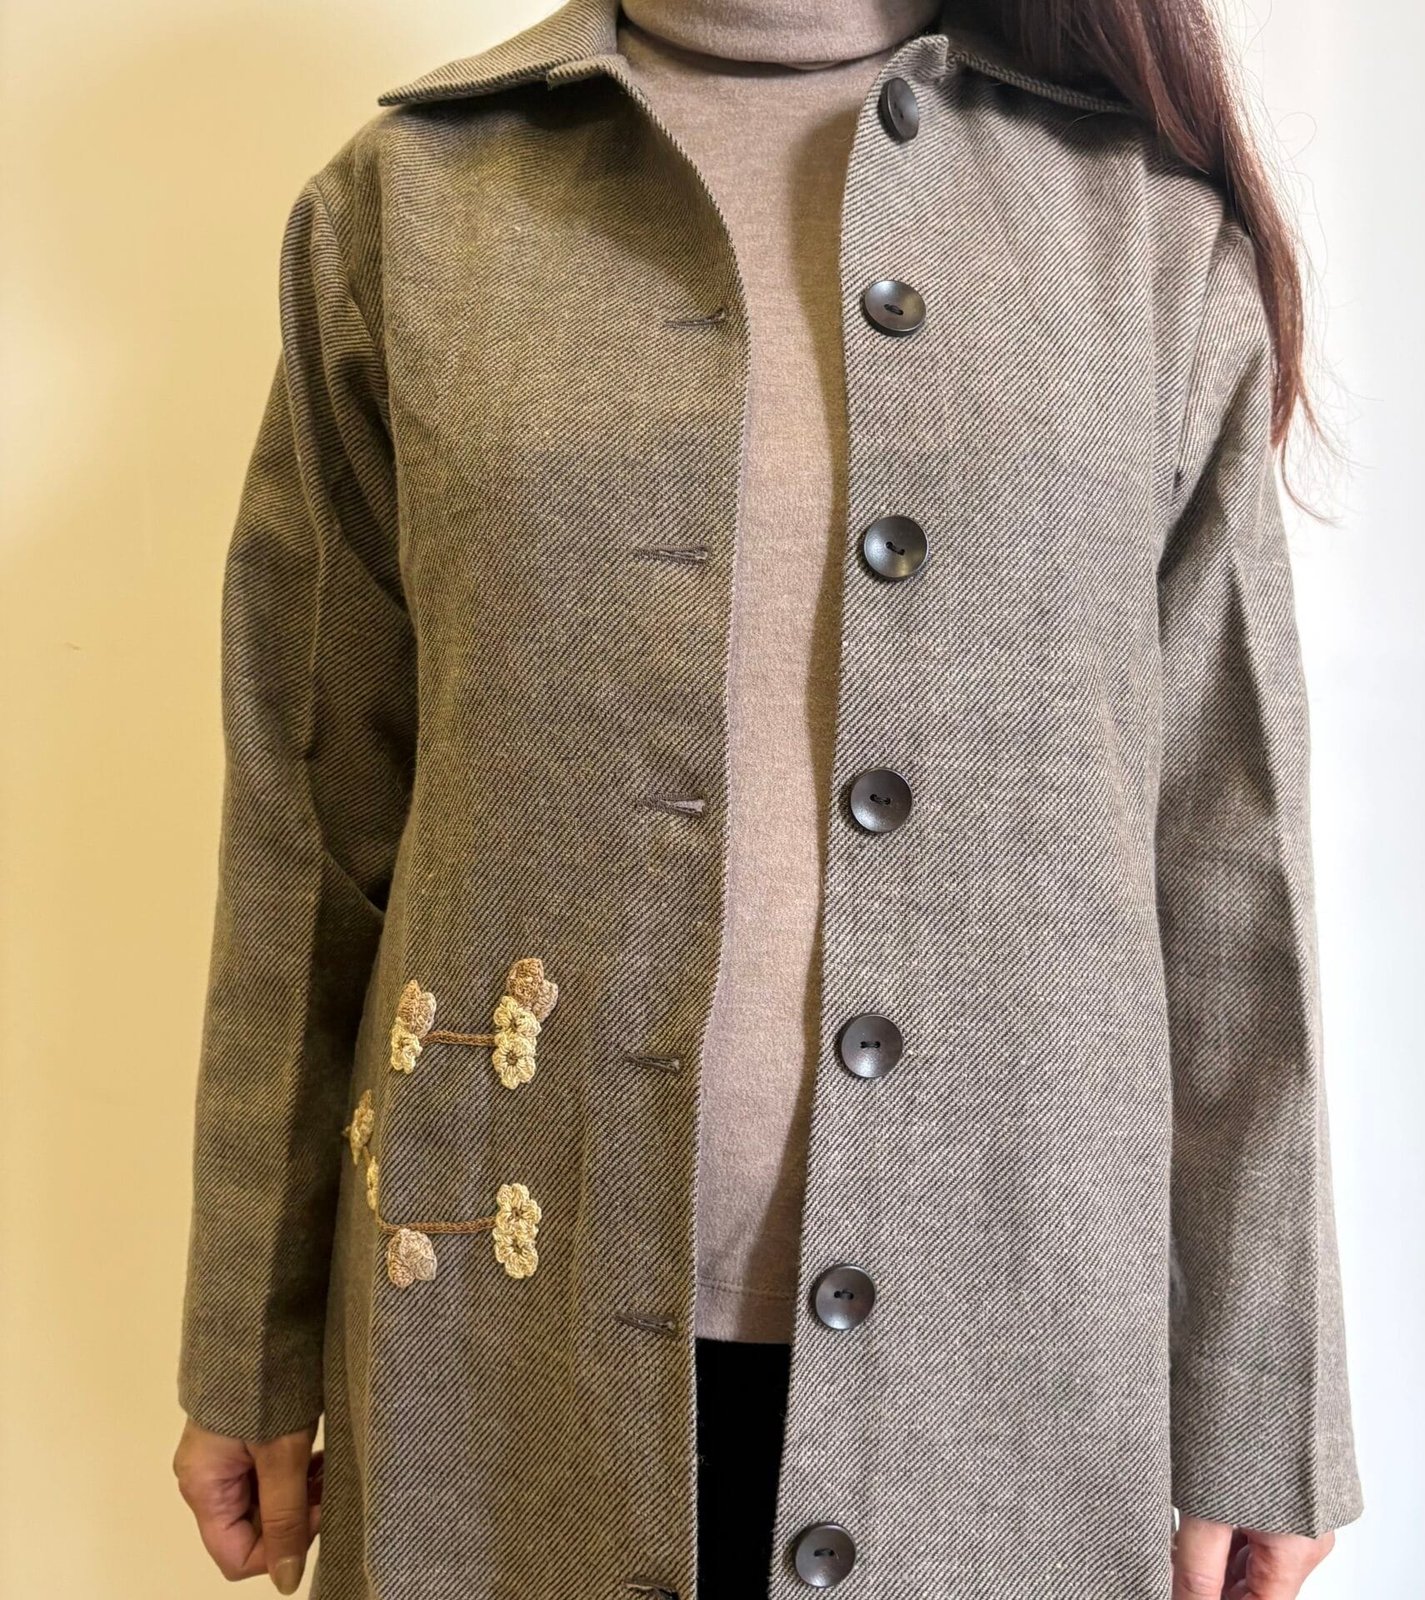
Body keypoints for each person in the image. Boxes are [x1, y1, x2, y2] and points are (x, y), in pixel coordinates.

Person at [169, 0, 1364, 1596]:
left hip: (1016, 1379)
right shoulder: (411, 208)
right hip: (502, 1364)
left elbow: (1230, 857)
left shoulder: (1136, 230)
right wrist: (245, 1334)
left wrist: (1264, 1399)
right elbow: (311, 816)